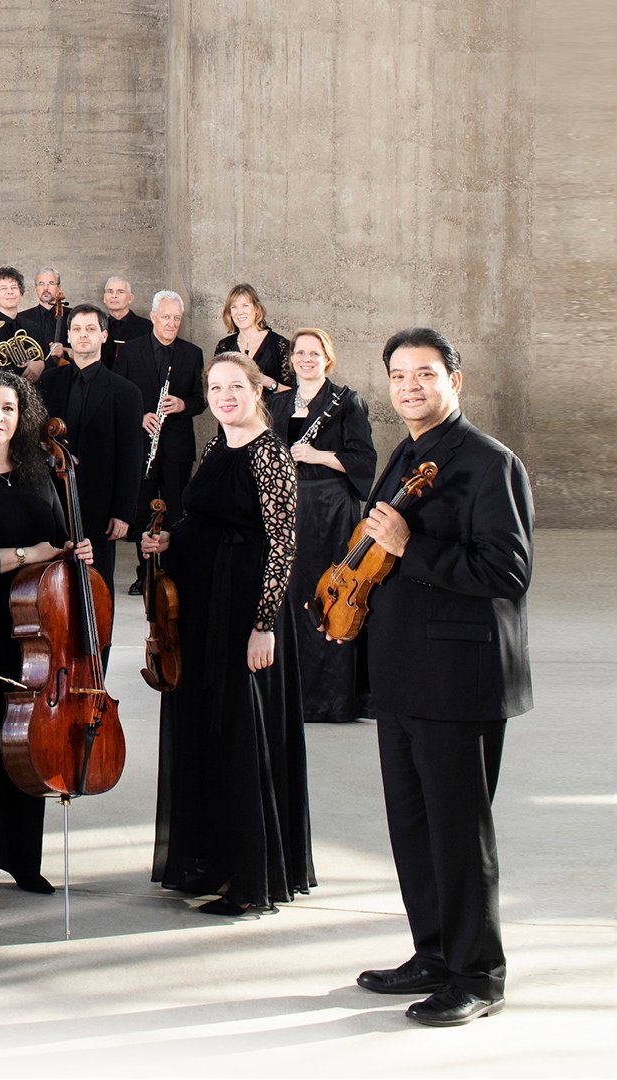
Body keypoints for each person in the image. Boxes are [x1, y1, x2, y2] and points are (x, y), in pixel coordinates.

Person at [352, 327, 533, 1028]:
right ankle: (433, 953)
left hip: (459, 679)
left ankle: (479, 975)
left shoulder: (491, 464)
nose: (409, 387)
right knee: (413, 827)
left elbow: (506, 572)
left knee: (459, 833)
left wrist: (410, 545)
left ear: (456, 379)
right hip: (401, 674)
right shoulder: (406, 452)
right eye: (399, 375)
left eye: (424, 374)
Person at [139, 352, 310, 917]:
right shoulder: (217, 444)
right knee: (205, 728)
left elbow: (283, 546)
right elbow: (203, 519)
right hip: (200, 609)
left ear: (257, 390)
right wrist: (171, 542)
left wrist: (264, 625)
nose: (224, 395)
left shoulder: (270, 456)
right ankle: (209, 858)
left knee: (239, 734)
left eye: (235, 386)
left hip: (242, 614)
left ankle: (248, 878)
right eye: (215, 387)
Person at [0, 368, 90, 907]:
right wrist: (28, 556)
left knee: (28, 744)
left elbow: (59, 540)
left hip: (37, 630)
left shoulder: (37, 472)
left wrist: (75, 552)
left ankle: (23, 859)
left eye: (7, 408)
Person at [265, 327, 375, 724]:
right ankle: (291, 698)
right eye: (300, 353)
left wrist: (316, 454)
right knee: (291, 598)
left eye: (314, 353)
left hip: (331, 511)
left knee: (329, 597)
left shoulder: (346, 402)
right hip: (289, 510)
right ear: (291, 359)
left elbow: (364, 461)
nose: (306, 359)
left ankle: (332, 700)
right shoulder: (276, 403)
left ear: (327, 358)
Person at [33, 303, 146, 586]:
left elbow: (132, 456)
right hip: (53, 502)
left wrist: (123, 512)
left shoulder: (126, 392)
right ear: (68, 336)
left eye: (91, 329)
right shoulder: (49, 381)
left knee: (98, 587)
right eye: (77, 329)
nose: (83, 335)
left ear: (104, 336)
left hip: (99, 505)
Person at [114, 290, 206, 592]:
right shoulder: (129, 351)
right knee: (143, 510)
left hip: (177, 446)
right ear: (153, 317)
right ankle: (146, 574)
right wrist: (140, 416)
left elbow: (200, 400)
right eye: (166, 317)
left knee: (176, 508)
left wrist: (182, 405)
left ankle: (173, 571)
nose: (171, 323)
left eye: (176, 319)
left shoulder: (192, 353)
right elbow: (119, 396)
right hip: (143, 444)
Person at [216, 283, 293, 391]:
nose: (239, 312)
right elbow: (216, 387)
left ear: (256, 308)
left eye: (245, 306)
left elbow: (292, 394)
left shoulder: (280, 344)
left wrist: (268, 382)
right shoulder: (224, 346)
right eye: (234, 307)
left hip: (270, 408)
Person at [17, 267, 69, 362]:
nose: (46, 288)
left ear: (59, 287)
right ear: (35, 288)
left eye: (51, 283)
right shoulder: (21, 318)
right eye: (41, 284)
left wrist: (65, 351)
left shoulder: (74, 316)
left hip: (67, 373)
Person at [101, 275, 153, 367]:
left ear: (130, 298)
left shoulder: (147, 328)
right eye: (110, 291)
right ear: (104, 298)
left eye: (120, 292)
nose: (114, 296)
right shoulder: (97, 328)